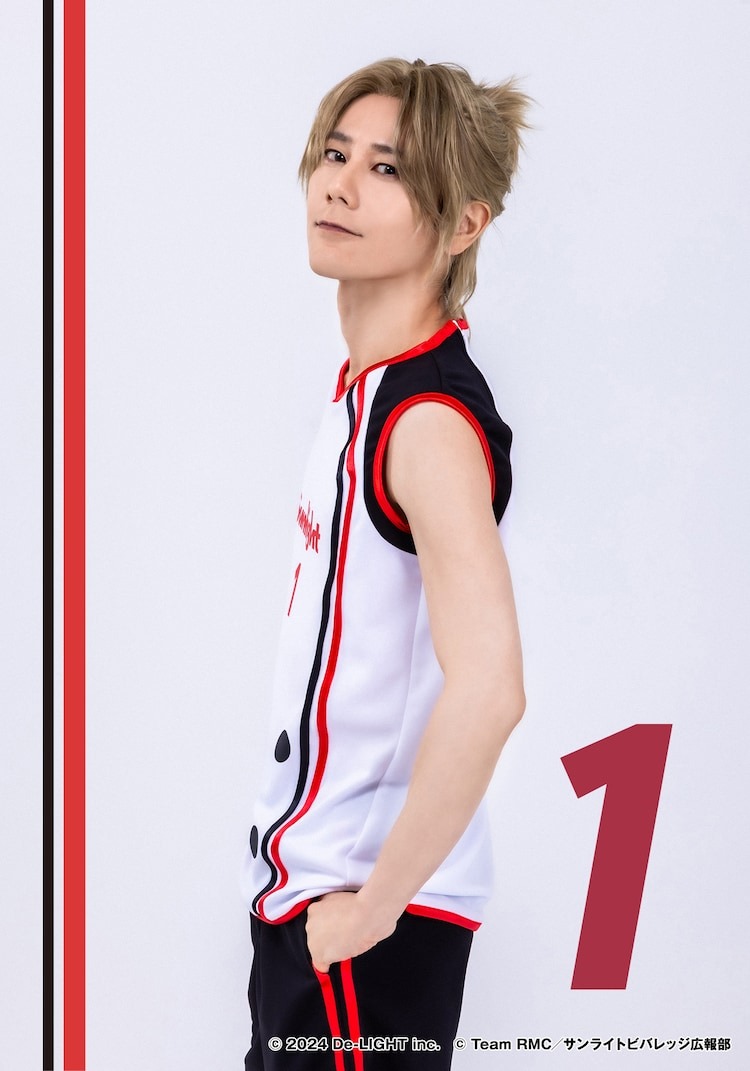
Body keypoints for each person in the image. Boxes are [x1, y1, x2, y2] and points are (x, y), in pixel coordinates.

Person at [242, 58, 530, 1069]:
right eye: (335, 154)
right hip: (313, 905)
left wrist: (372, 909)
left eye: (388, 169)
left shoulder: (425, 422)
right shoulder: (367, 395)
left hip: (364, 925)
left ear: (464, 224)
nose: (340, 185)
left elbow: (491, 689)